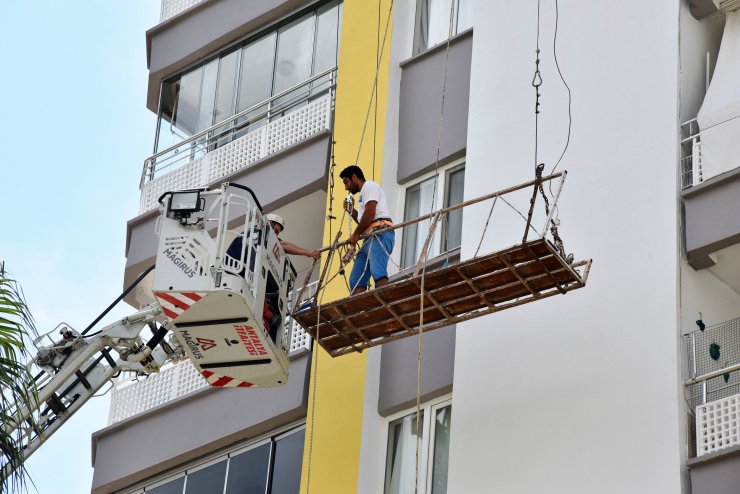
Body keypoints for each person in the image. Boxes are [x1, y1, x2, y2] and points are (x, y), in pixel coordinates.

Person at [226, 213, 320, 341]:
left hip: (236, 276)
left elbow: (282, 244)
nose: (276, 236)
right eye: (275, 231)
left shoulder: (253, 235)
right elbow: (284, 246)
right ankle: (267, 313)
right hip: (236, 277)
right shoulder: (258, 233)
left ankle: (266, 312)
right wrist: (308, 253)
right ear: (269, 223)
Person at [340, 165, 395, 295]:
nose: (346, 187)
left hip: (380, 233)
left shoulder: (369, 186)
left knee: (378, 272)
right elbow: (364, 220)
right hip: (369, 238)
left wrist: (355, 235)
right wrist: (352, 212)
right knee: (356, 280)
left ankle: (384, 302)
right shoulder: (362, 197)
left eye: (346, 182)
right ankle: (361, 311)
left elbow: (370, 213)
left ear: (354, 177)